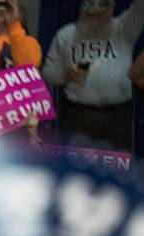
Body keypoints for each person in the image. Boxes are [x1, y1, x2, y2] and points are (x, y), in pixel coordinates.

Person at [42, 0, 144, 151]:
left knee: (117, 169)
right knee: (76, 169)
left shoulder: (124, 27)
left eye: (103, 5)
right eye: (90, 4)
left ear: (112, 7)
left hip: (118, 116)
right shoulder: (66, 34)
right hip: (78, 115)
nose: (96, 10)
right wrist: (66, 74)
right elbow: (48, 74)